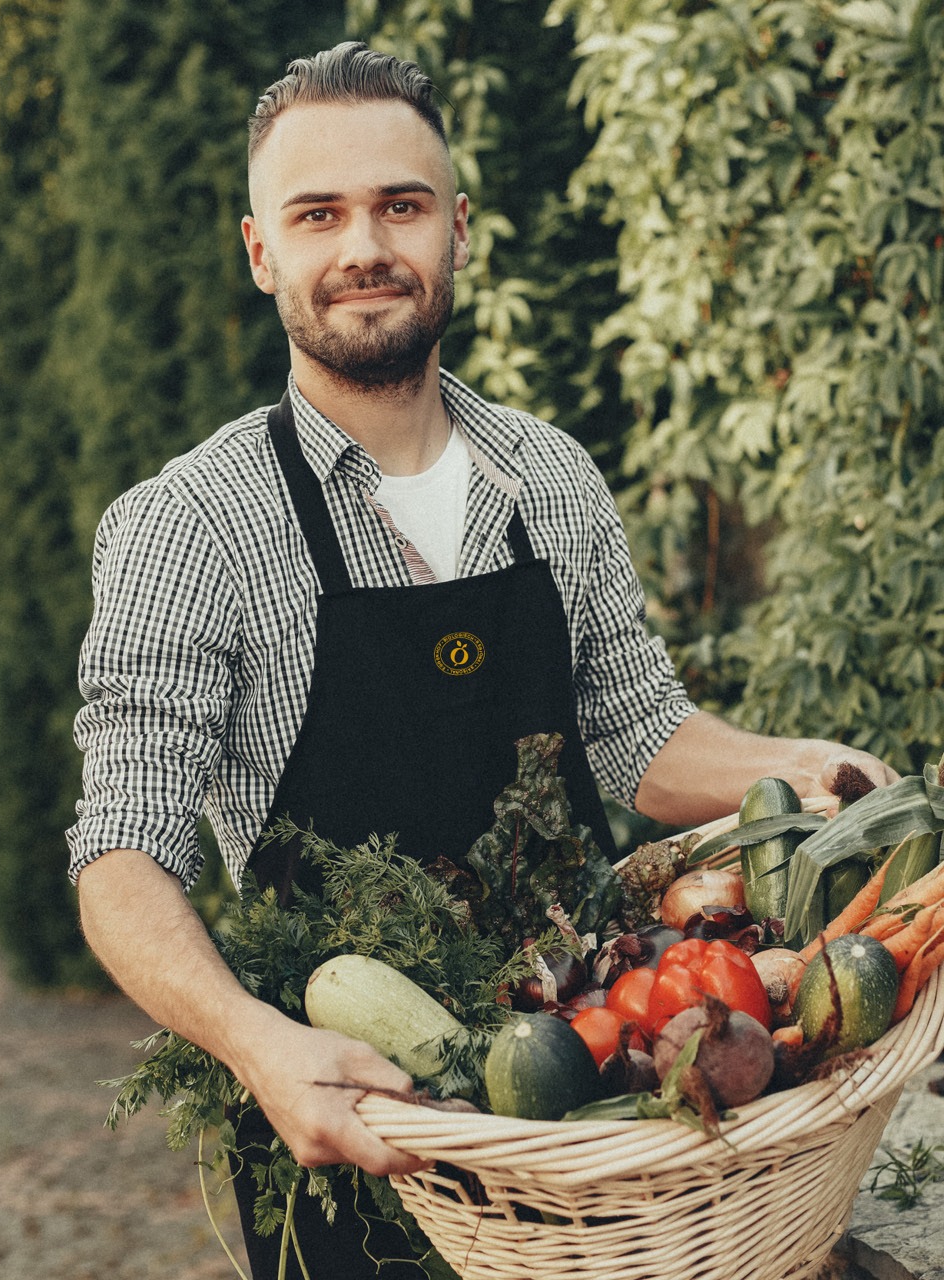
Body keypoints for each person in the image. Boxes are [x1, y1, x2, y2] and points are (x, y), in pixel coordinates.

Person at [65, 41, 899, 1280]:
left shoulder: (551, 476)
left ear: (459, 231)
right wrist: (253, 1041)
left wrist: (808, 770)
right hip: (349, 1110)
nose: (364, 247)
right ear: (260, 252)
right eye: (318, 214)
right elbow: (121, 849)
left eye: (400, 206)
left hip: (587, 1084)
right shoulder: (189, 523)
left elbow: (641, 733)